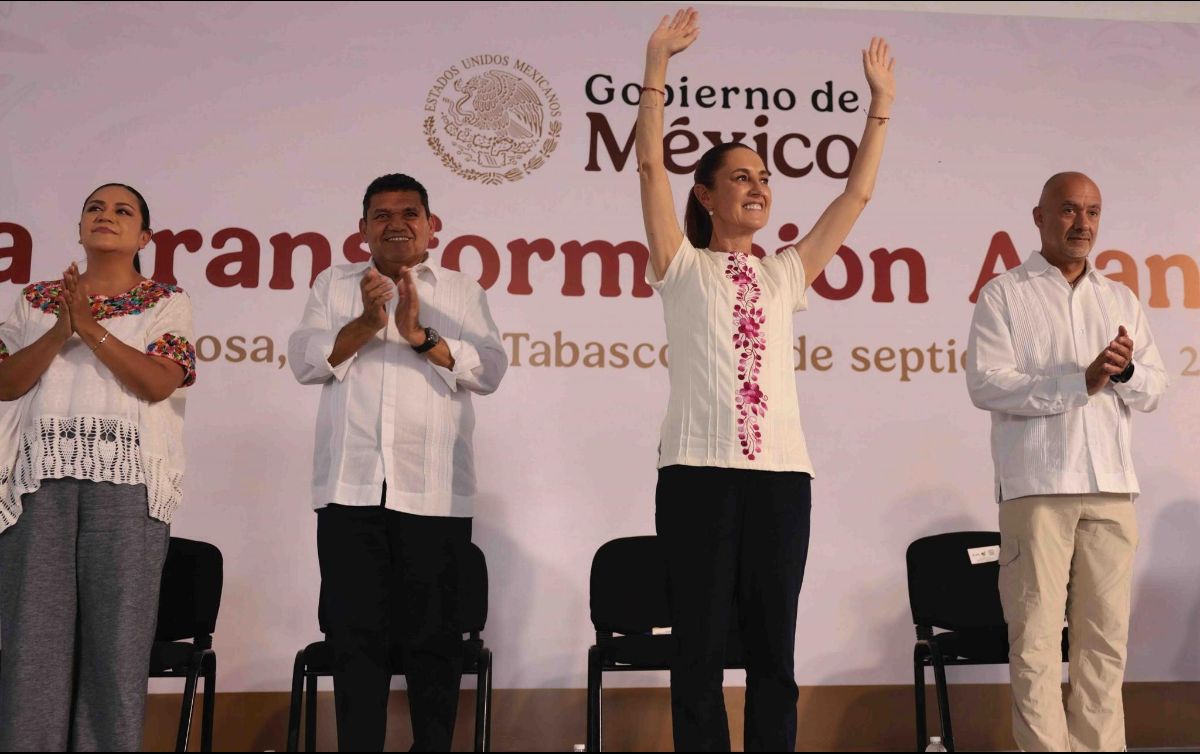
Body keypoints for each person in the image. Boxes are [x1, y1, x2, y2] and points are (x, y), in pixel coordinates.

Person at [635, 8, 895, 751]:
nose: (758, 186)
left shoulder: (785, 274)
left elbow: (854, 198)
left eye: (765, 177)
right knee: (698, 656)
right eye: (741, 177)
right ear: (708, 196)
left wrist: (880, 109)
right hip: (696, 475)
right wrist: (657, 67)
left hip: (781, 479)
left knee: (774, 657)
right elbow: (652, 166)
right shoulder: (680, 265)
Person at [288, 173, 507, 751]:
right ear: (362, 231)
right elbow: (306, 361)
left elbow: (489, 369)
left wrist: (417, 334)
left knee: (434, 645)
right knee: (355, 643)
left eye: (410, 213)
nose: (396, 223)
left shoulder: (461, 291)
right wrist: (365, 322)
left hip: (433, 492)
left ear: (432, 228)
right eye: (381, 215)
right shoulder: (333, 285)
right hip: (348, 492)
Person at [966, 171, 1168, 752]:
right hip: (1038, 487)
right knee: (1033, 642)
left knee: (1104, 644)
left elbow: (1153, 387)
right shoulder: (1004, 293)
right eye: (1069, 211)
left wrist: (1123, 372)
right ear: (1038, 216)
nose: (1083, 224)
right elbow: (988, 384)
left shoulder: (1120, 297)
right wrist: (1077, 381)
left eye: (1093, 212)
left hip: (1111, 487)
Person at [0, 183, 197, 752]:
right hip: (37, 487)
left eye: (122, 210)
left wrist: (91, 328)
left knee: (115, 651)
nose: (104, 216)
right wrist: (62, 327)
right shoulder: (36, 300)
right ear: (80, 228)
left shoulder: (166, 301)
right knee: (32, 651)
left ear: (144, 237)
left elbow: (158, 382)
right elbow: (7, 382)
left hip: (128, 489)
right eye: (94, 208)